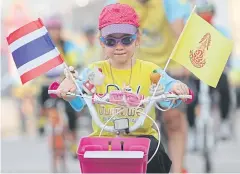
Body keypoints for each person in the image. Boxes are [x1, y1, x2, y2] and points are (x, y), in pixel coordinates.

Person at [51, 3, 193, 173]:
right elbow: (78, 89)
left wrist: (177, 87)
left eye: (126, 40)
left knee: (155, 151)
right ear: (101, 43)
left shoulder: (149, 70)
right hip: (105, 140)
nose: (119, 46)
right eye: (111, 41)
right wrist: (68, 89)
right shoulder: (94, 71)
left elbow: (167, 83)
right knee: (90, 156)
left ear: (138, 39)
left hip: (142, 140)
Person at [106, 0, 192, 172]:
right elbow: (108, 37)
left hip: (168, 67)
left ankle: (177, 169)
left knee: (173, 118)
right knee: (126, 120)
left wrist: (185, 66)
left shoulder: (168, 3)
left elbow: (180, 33)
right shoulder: (118, 3)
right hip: (134, 68)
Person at [186, 2, 232, 146]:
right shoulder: (192, 33)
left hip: (215, 72)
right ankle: (192, 130)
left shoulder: (222, 32)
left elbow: (227, 52)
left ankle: (224, 123)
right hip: (197, 74)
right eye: (202, 13)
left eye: (208, 13)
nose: (206, 16)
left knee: (225, 88)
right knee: (189, 96)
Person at [37, 15, 80, 158]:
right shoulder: (43, 48)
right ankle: (42, 121)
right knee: (42, 94)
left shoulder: (66, 45)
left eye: (56, 29)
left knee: (71, 111)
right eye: (51, 30)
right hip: (47, 82)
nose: (54, 32)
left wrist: (71, 70)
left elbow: (74, 60)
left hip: (63, 82)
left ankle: (73, 144)